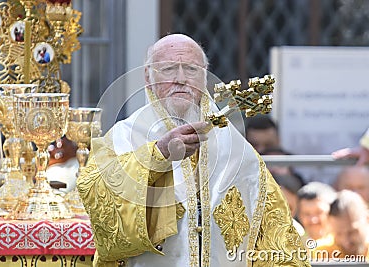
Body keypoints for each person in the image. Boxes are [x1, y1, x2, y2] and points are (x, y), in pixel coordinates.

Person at [77, 34, 309, 267]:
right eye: (168, 69)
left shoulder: (237, 148)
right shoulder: (123, 137)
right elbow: (97, 198)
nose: (181, 79)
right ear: (148, 77)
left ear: (204, 77)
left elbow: (273, 230)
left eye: (191, 69)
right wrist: (158, 155)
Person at [314, 190, 369, 261]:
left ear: (367, 219)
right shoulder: (321, 253)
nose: (346, 242)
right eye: (338, 234)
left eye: (352, 232)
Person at [297, 182, 336, 248]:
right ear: (299, 216)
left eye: (319, 212)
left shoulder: (343, 244)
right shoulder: (293, 246)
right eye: (307, 214)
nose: (313, 220)